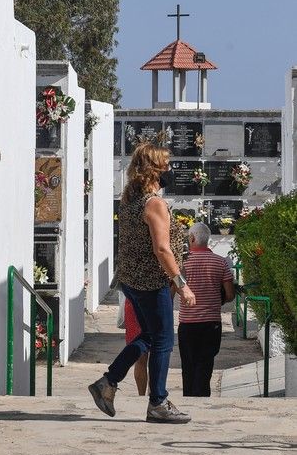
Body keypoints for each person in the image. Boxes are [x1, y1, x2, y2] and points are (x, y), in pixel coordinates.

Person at [88, 142, 196, 424]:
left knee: (149, 336)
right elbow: (162, 249)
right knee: (163, 341)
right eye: (167, 165)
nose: (170, 169)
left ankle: (108, 382)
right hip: (151, 282)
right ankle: (157, 403)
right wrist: (181, 283)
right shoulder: (154, 203)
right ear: (154, 170)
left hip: (131, 280)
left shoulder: (129, 201)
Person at [178, 222, 235, 397]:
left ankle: (188, 398)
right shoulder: (221, 262)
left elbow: (173, 290)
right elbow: (230, 294)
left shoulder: (181, 264)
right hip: (211, 324)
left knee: (188, 365)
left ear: (192, 238)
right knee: (205, 363)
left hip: (187, 323)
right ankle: (202, 397)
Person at [124, 297, 148, 395]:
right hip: (154, 303)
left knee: (141, 357)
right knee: (155, 355)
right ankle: (153, 396)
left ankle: (144, 396)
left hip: (134, 301)